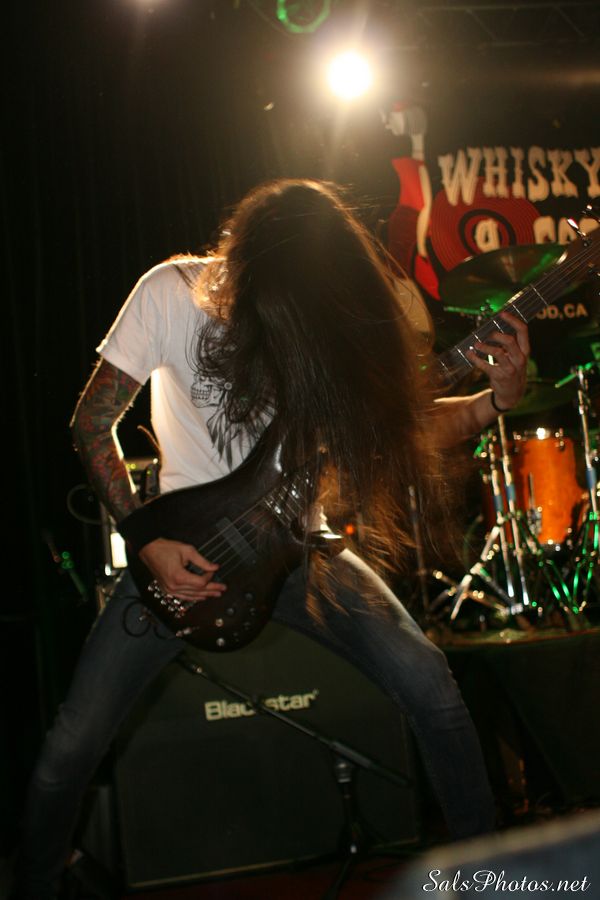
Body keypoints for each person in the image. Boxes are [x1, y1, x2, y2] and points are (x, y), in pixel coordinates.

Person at [16, 179, 529, 898]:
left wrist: (495, 399)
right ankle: (35, 882)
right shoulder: (169, 292)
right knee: (72, 743)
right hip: (180, 553)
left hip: (299, 550)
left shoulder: (315, 323)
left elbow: (402, 430)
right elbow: (91, 423)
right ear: (256, 265)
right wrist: (144, 539)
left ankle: (487, 881)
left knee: (432, 690)